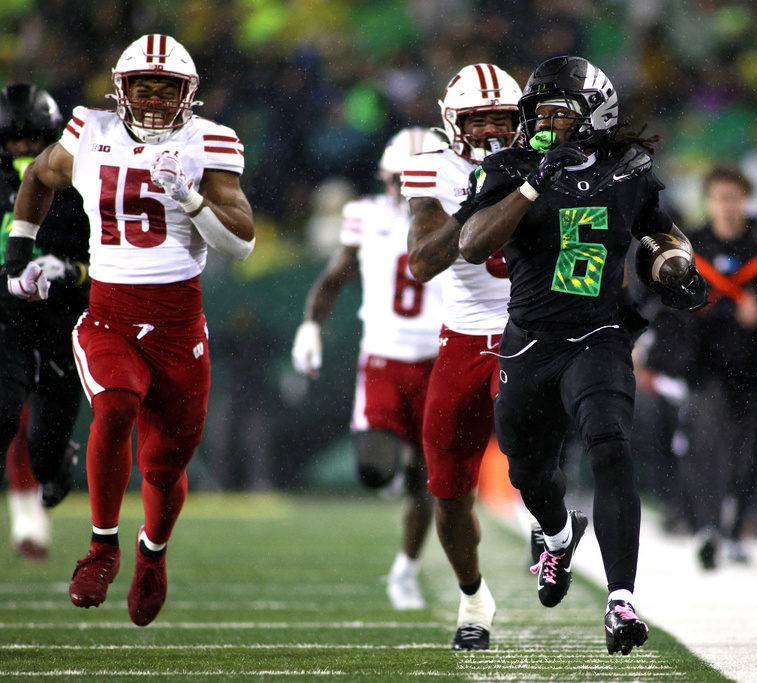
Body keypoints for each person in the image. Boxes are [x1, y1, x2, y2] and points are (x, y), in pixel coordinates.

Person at [1, 34, 254, 626]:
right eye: (145, 87)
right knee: (114, 406)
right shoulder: (90, 130)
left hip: (178, 326)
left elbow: (241, 243)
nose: (156, 99)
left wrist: (188, 198)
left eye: (168, 88)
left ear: (188, 93)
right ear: (122, 89)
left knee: (164, 466)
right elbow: (38, 179)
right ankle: (102, 546)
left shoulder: (210, 141)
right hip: (108, 314)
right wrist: (18, 254)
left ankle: (152, 555)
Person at [458, 55, 707, 656]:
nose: (542, 124)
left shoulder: (629, 170)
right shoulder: (511, 166)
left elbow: (659, 231)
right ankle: (557, 535)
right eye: (537, 113)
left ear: (596, 116)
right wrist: (533, 183)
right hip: (531, 341)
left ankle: (621, 601)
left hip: (598, 335)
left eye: (557, 113)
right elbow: (472, 243)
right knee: (527, 470)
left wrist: (677, 265)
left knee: (610, 448)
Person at [292, 127, 445, 609]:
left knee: (428, 478)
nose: (408, 188)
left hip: (441, 361)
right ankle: (398, 464)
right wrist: (310, 324)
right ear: (385, 178)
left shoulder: (462, 215)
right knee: (376, 471)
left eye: (419, 177)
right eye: (401, 178)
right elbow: (335, 276)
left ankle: (406, 569)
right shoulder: (366, 214)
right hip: (383, 359)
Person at [399, 64, 521, 650]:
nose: (493, 129)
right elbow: (423, 263)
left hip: (531, 328)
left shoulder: (545, 163)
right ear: (454, 123)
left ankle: (551, 532)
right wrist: (476, 204)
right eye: (480, 120)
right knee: (447, 488)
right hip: (466, 335)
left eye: (502, 118)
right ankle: (473, 597)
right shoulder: (434, 170)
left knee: (533, 450)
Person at [674, 164, 757, 569]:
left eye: (734, 198)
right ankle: (708, 527)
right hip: (704, 366)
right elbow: (670, 308)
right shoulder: (689, 250)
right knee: (706, 445)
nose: (727, 206)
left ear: (746, 201)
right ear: (708, 203)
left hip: (752, 367)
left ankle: (737, 528)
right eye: (719, 198)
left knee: (747, 453)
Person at [0, 83, 90, 559]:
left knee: (45, 451)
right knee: (5, 417)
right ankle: (26, 523)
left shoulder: (80, 187)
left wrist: (71, 271)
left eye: (32, 138)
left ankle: (57, 461)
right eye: (13, 139)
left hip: (59, 324)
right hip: (6, 322)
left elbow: (113, 264)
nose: (22, 148)